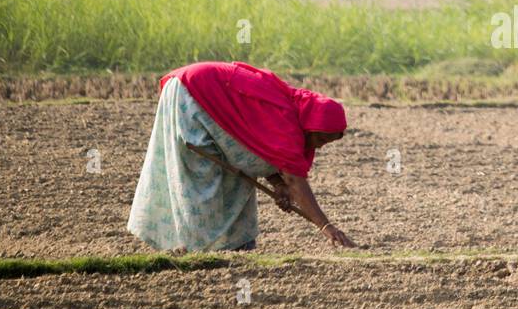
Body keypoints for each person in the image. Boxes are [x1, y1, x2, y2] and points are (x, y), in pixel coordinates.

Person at [128, 61, 355, 251]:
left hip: (194, 87)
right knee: (203, 177)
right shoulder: (287, 125)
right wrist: (326, 227)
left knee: (236, 171)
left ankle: (234, 247)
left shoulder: (292, 113)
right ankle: (203, 248)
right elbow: (295, 181)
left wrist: (277, 183)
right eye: (322, 140)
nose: (321, 147)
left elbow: (253, 146)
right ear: (312, 127)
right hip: (194, 93)